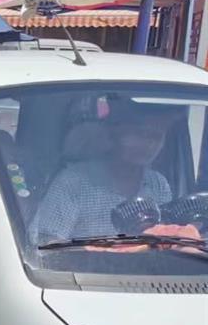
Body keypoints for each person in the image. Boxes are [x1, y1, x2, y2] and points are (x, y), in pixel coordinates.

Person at [32, 103, 178, 242]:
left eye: (156, 137)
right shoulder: (73, 182)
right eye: (140, 134)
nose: (149, 144)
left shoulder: (158, 184)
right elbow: (46, 242)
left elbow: (165, 241)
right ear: (115, 134)